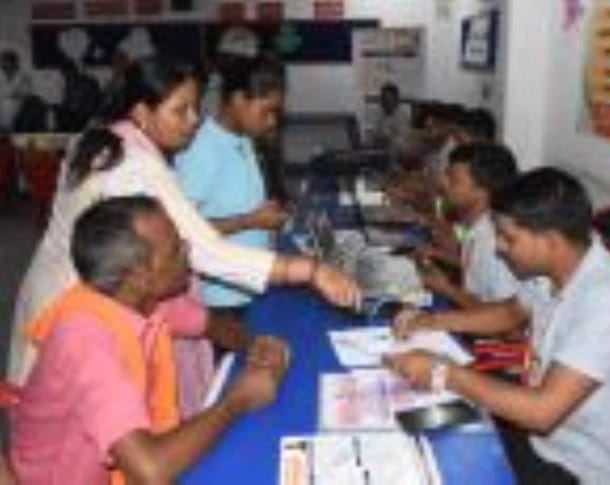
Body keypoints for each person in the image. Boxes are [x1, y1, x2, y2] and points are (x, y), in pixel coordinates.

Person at [10, 56, 359, 385]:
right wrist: (310, 270)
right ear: (142, 112)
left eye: (195, 108)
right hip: (76, 308)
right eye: (180, 111)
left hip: (62, 290)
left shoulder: (103, 139)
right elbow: (206, 249)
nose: (193, 120)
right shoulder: (136, 165)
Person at [390, 168, 610, 485]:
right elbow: (510, 313)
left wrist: (443, 372)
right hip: (539, 439)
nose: (499, 247)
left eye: (509, 238)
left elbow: (542, 413)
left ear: (551, 241)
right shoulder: (558, 267)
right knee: (420, 440)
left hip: (578, 469)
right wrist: (431, 321)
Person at [10, 196, 290, 485]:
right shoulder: (85, 340)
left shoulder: (140, 299)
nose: (187, 249)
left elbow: (213, 325)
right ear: (140, 277)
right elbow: (149, 470)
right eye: (175, 249)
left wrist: (255, 345)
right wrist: (238, 399)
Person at [175, 56, 288, 331]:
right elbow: (181, 231)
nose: (272, 122)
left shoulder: (243, 138)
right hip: (221, 299)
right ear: (238, 100)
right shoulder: (201, 149)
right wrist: (249, 221)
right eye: (266, 111)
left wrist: (264, 214)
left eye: (276, 113)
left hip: (248, 286)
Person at [417, 142, 519, 308]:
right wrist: (437, 254)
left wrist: (446, 288)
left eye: (453, 180)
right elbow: (475, 266)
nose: (443, 184)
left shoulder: (492, 239)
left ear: (482, 191)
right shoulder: (476, 225)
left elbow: (502, 314)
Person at [366, 82, 411, 148]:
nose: (387, 102)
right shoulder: (377, 112)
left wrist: (390, 139)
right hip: (378, 147)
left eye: (389, 98)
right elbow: (371, 132)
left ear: (396, 99)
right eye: (384, 98)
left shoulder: (402, 115)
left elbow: (404, 138)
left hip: (395, 148)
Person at [0, 48, 32, 132]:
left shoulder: (22, 76)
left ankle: (7, 129)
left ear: (13, 63)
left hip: (16, 103)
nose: (6, 65)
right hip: (2, 102)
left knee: (7, 104)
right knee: (4, 103)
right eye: (4, 62)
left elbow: (27, 92)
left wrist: (18, 94)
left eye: (8, 62)